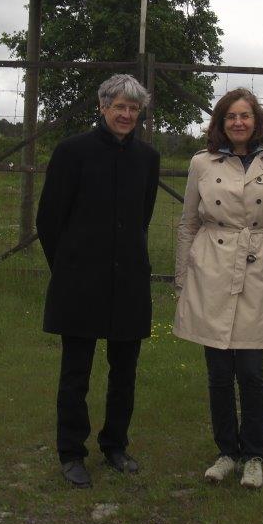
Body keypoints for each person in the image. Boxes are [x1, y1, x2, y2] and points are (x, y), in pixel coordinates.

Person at [37, 74, 161, 489]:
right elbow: (49, 220)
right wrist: (70, 266)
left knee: (124, 371)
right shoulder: (72, 152)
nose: (126, 115)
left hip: (128, 282)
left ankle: (115, 445)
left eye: (133, 109)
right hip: (80, 282)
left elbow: (141, 217)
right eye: (119, 106)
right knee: (76, 372)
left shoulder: (147, 158)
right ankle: (71, 452)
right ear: (102, 106)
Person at [173, 88, 263, 490]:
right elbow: (188, 223)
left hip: (259, 272)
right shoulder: (201, 164)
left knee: (252, 372)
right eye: (231, 117)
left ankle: (254, 455)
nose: (239, 123)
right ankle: (227, 451)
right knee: (219, 373)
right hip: (212, 269)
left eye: (246, 116)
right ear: (220, 124)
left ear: (257, 122)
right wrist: (182, 278)